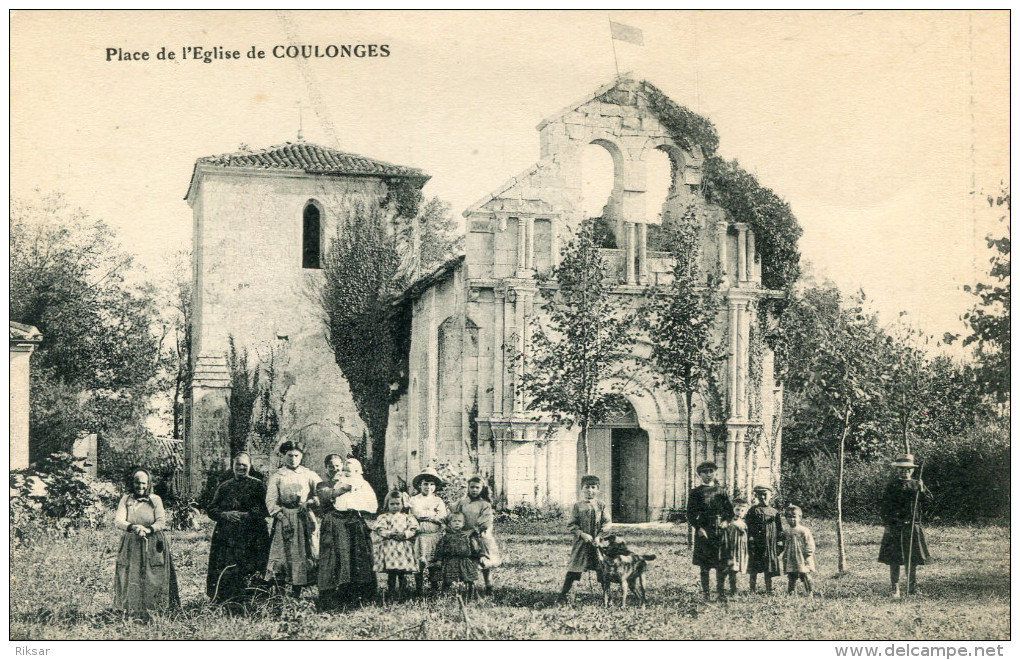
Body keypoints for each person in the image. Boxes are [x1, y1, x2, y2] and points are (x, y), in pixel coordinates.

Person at [113, 468, 180, 614]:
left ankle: (155, 609)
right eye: (137, 483)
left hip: (153, 541)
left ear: (148, 484)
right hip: (132, 541)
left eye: (143, 483)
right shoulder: (126, 499)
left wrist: (148, 529)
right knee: (130, 573)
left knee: (154, 574)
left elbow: (161, 521)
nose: (140, 486)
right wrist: (132, 527)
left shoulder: (155, 499)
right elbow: (118, 520)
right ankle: (132, 609)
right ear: (132, 483)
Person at [206, 452, 270, 604]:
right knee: (227, 566)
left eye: (244, 465)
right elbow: (211, 509)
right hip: (228, 536)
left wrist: (248, 515)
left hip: (253, 534)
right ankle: (226, 599)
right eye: (238, 465)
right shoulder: (224, 486)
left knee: (252, 565)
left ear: (250, 466)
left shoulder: (258, 485)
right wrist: (225, 514)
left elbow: (267, 508)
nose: (241, 468)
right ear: (233, 466)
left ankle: (253, 598)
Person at [316, 456, 379, 609]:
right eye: (333, 467)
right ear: (326, 468)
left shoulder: (361, 483)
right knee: (338, 556)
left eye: (339, 466)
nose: (337, 470)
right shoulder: (326, 484)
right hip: (336, 522)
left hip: (355, 521)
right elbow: (329, 497)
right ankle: (335, 592)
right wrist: (342, 488)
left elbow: (370, 503)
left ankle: (361, 592)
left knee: (358, 555)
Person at [265, 440, 321, 598]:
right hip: (284, 517)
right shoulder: (278, 476)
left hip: (304, 518)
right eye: (289, 455)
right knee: (282, 554)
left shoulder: (309, 474)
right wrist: (281, 517)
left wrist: (310, 501)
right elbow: (270, 501)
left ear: (301, 456)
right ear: (283, 456)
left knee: (302, 554)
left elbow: (321, 493)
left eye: (296, 455)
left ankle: (297, 592)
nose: (293, 459)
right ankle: (279, 592)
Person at [878, 454, 932, 598]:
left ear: (912, 470)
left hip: (912, 525)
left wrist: (921, 490)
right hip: (896, 526)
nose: (905, 471)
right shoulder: (892, 486)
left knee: (912, 557)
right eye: (901, 469)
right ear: (897, 470)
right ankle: (894, 587)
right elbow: (885, 507)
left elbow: (929, 502)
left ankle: (912, 586)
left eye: (908, 469)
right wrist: (888, 524)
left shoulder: (917, 484)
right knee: (894, 557)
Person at [558, 474, 611, 604]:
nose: (590, 490)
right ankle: (563, 597)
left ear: (597, 489)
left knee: (602, 569)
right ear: (582, 489)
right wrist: (582, 534)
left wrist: (599, 536)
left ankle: (607, 597)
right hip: (581, 544)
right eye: (587, 487)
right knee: (574, 569)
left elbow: (607, 523)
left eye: (593, 487)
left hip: (598, 544)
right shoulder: (578, 506)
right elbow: (571, 524)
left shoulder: (601, 505)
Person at [688, 461, 734, 599]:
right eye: (705, 472)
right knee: (705, 565)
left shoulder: (721, 491)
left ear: (715, 473)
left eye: (711, 471)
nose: (708, 475)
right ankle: (706, 593)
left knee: (721, 564)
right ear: (699, 475)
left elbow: (730, 512)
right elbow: (690, 514)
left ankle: (721, 593)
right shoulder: (695, 492)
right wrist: (698, 528)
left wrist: (726, 521)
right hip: (704, 529)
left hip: (719, 529)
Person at [450, 476, 501, 596]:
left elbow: (485, 521)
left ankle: (489, 586)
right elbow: (454, 513)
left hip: (480, 536)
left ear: (482, 488)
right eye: (472, 487)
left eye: (477, 487)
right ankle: (470, 588)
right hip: (465, 537)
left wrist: (472, 531)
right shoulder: (463, 502)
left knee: (484, 562)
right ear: (468, 488)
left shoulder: (485, 504)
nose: (474, 490)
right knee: (470, 562)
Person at [373, 490, 419, 599]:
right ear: (387, 504)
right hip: (390, 548)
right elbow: (380, 529)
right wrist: (390, 534)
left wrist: (405, 534)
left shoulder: (407, 517)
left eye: (398, 504)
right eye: (392, 504)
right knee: (392, 572)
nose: (395, 506)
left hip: (402, 547)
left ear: (402, 504)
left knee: (402, 571)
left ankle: (403, 593)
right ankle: (391, 592)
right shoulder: (384, 517)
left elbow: (413, 529)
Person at [409, 467, 448, 595]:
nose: (428, 487)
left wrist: (430, 515)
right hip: (421, 536)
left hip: (434, 536)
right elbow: (416, 513)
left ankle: (434, 587)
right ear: (420, 485)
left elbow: (442, 516)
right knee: (420, 562)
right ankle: (419, 588)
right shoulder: (415, 500)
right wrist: (432, 514)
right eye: (425, 484)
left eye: (432, 484)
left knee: (434, 563)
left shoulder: (438, 501)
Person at [746, 484, 783, 594]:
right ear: (756, 496)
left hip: (770, 544)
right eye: (759, 495)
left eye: (765, 494)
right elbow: (748, 526)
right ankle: (752, 589)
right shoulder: (753, 510)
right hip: (757, 544)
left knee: (768, 567)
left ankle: (769, 589)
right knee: (754, 568)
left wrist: (780, 542)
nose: (762, 497)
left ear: (770, 495)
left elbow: (779, 528)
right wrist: (751, 540)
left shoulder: (775, 512)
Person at [434, 512, 479, 598]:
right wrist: (439, 560)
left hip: (464, 561)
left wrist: (475, 557)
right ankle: (448, 596)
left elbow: (474, 549)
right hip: (451, 561)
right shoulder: (446, 537)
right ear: (449, 524)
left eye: (459, 521)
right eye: (454, 521)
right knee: (450, 579)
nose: (457, 523)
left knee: (467, 578)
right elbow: (440, 549)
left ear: (463, 524)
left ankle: (469, 596)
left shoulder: (465, 536)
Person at [782, 505, 814, 596]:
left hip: (802, 556)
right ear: (786, 518)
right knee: (791, 575)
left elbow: (809, 542)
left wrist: (808, 554)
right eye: (789, 517)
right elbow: (782, 542)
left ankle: (809, 592)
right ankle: (791, 592)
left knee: (805, 574)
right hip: (790, 556)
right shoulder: (786, 531)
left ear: (799, 517)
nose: (792, 519)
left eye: (794, 517)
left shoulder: (804, 530)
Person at [720, 498, 749, 596]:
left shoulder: (744, 523)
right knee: (729, 568)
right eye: (737, 510)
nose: (739, 512)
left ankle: (733, 589)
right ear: (733, 509)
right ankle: (722, 589)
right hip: (730, 549)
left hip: (739, 549)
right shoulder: (729, 522)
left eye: (742, 510)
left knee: (734, 570)